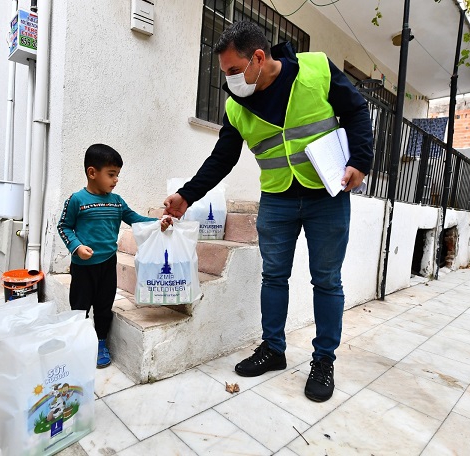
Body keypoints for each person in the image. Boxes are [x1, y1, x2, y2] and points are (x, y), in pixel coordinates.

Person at [163, 21, 373, 402]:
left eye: (232, 70)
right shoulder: (236, 105)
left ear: (258, 58)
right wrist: (187, 195)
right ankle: (273, 349)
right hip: (277, 199)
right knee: (273, 277)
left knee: (327, 280)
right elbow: (222, 158)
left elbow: (357, 112)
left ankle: (324, 361)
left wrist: (360, 161)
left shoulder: (317, 69)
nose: (228, 80)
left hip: (327, 195)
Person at [58, 143, 171, 368]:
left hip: (108, 263)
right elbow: (64, 226)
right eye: (111, 174)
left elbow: (135, 218)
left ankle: (101, 342)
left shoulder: (117, 201)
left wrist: (158, 223)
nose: (116, 179)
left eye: (117, 175)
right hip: (83, 266)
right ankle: (77, 342)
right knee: (79, 307)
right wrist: (76, 246)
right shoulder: (76, 200)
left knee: (103, 306)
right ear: (92, 173)